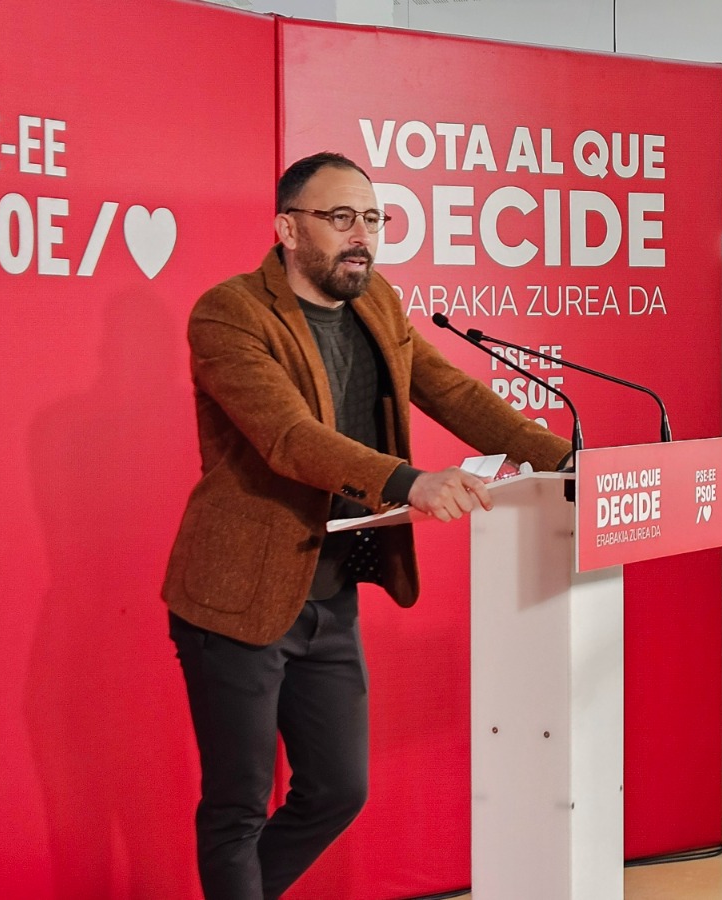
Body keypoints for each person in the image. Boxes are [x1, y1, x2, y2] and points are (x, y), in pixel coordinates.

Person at [161, 151, 571, 899]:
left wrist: (569, 460)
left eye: (374, 219)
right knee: (237, 806)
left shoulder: (376, 301)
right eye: (340, 217)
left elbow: (452, 393)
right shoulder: (229, 313)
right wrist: (409, 483)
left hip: (328, 594)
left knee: (338, 791)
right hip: (235, 597)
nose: (362, 236)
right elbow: (287, 436)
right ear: (288, 227)